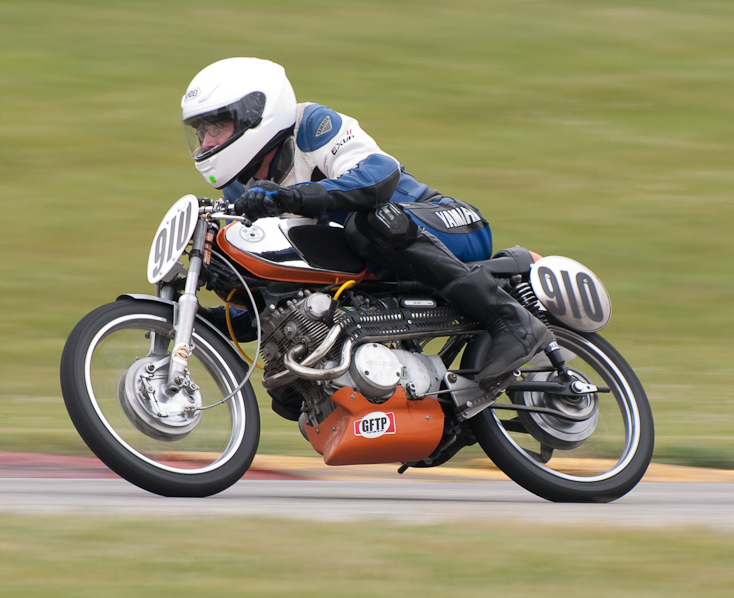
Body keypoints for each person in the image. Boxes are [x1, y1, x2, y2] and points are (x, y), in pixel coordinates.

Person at [181, 57, 550, 390]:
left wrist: (295, 196)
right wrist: (221, 305)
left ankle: (512, 323)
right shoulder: (240, 192)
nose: (206, 142)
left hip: (448, 224)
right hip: (379, 263)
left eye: (217, 127)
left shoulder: (313, 125)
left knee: (369, 223)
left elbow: (379, 176)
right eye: (201, 132)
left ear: (254, 115)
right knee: (286, 387)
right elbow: (278, 297)